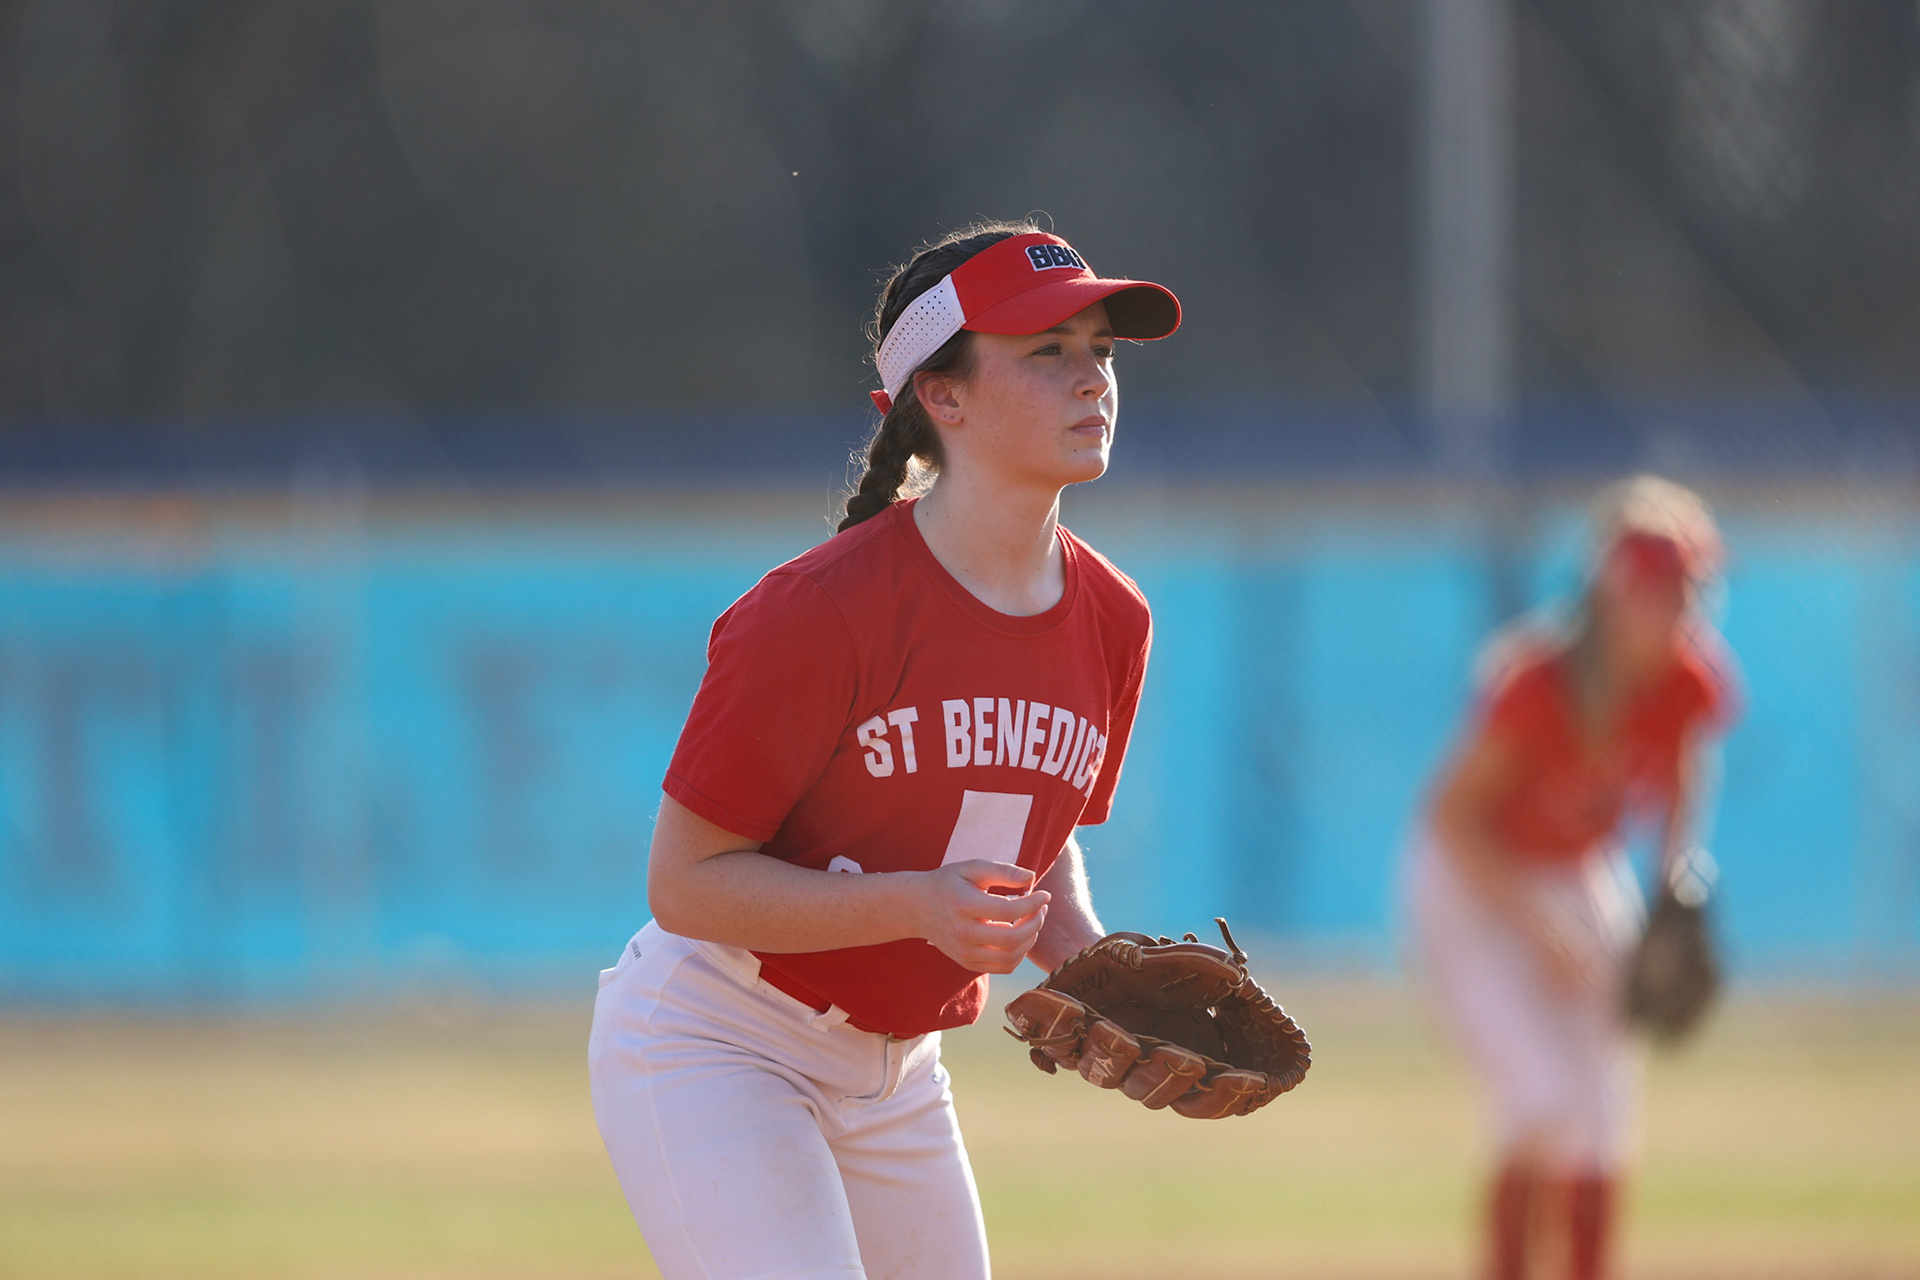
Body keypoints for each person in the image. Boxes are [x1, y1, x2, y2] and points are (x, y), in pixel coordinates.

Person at [586, 220, 1180, 1279]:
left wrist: (1088, 965)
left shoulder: (1112, 618)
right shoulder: (821, 611)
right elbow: (685, 881)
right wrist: (916, 903)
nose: (1091, 378)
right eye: (1046, 352)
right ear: (941, 398)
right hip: (722, 1037)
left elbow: (1034, 836)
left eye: (1099, 348)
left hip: (900, 1073)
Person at [1406, 476, 1740, 1280]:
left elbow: (1687, 773)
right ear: (1616, 596)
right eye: (1665, 595)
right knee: (1539, 1106)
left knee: (1601, 1115)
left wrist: (1674, 876)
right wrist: (1536, 922)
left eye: (1691, 594)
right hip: (1470, 885)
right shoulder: (1538, 684)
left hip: (1576, 872)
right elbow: (1450, 819)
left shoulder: (1687, 678)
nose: (1682, 614)